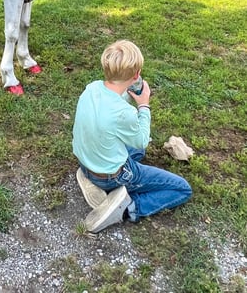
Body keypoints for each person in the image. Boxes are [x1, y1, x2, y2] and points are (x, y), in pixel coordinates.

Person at [72, 39, 192, 234]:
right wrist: (143, 105)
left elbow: (111, 106)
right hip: (114, 175)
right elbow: (142, 140)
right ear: (136, 74)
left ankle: (91, 179)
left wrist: (129, 93)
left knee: (138, 151)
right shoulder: (124, 113)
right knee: (182, 189)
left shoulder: (91, 88)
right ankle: (127, 208)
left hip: (86, 162)